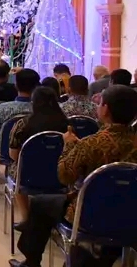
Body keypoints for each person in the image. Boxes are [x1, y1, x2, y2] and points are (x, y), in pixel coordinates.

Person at [11, 85, 137, 267]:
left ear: (106, 109)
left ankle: (31, 262)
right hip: (131, 214)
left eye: (100, 103)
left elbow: (65, 176)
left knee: (40, 203)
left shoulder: (91, 144)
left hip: (91, 213)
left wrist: (69, 145)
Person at [8, 87, 68, 221]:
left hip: (28, 175)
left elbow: (13, 155)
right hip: (60, 175)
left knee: (17, 170)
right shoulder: (67, 125)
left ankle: (26, 218)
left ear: (33, 102)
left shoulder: (23, 124)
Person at [0, 68, 40, 140]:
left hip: (5, 146)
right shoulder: (41, 110)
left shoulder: (3, 109)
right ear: (37, 87)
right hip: (33, 146)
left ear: (16, 85)